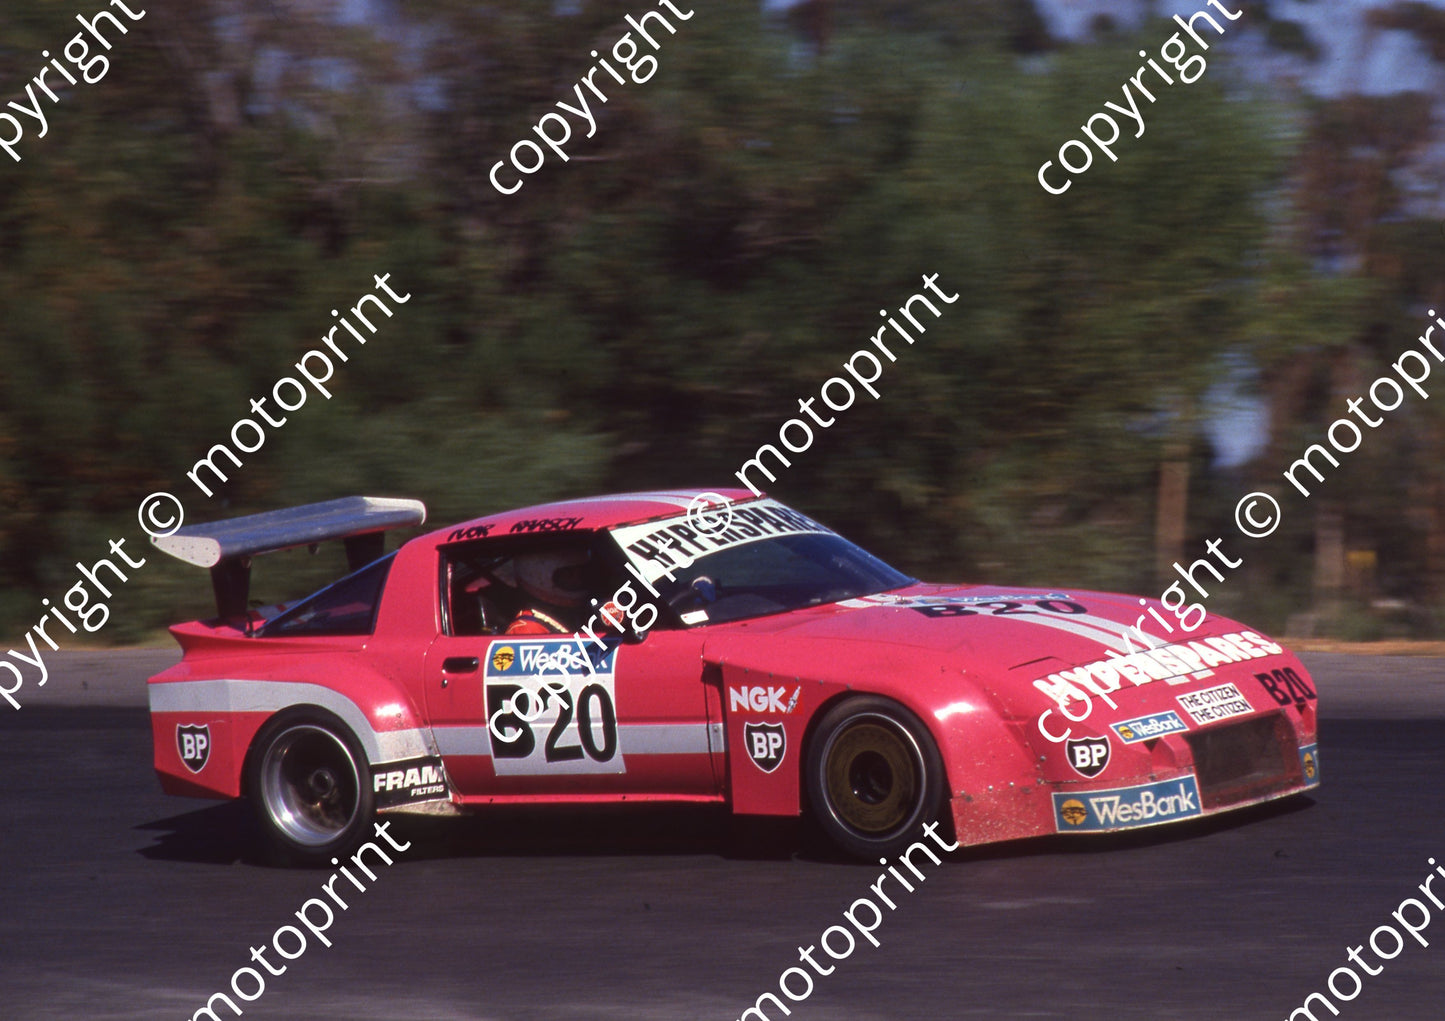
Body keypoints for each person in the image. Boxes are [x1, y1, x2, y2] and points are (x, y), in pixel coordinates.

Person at [505, 549, 593, 635]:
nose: (577, 581)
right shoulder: (527, 629)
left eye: (581, 573)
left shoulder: (584, 614)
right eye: (568, 574)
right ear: (537, 574)